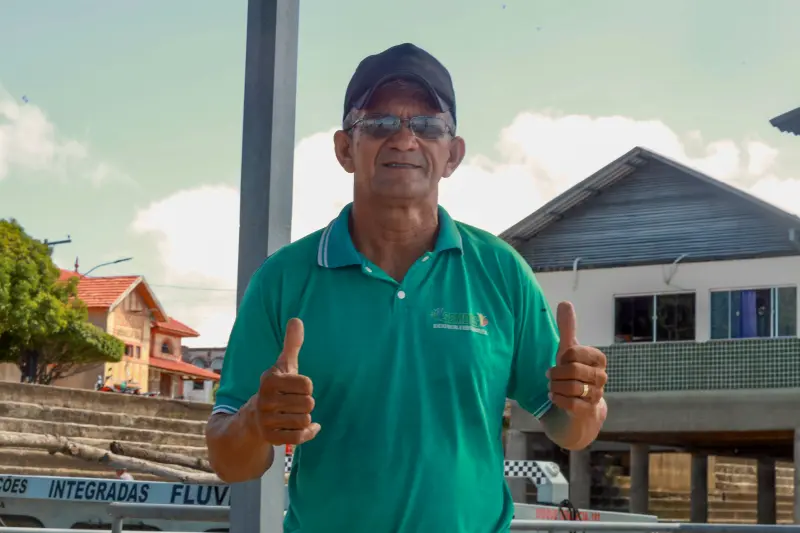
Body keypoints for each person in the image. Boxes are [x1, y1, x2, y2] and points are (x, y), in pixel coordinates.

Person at [206, 43, 609, 533]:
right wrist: (255, 420)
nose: (403, 139)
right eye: (378, 124)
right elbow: (231, 461)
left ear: (453, 154)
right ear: (344, 148)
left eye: (427, 125)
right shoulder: (284, 278)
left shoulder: (501, 273)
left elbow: (571, 431)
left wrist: (585, 402)